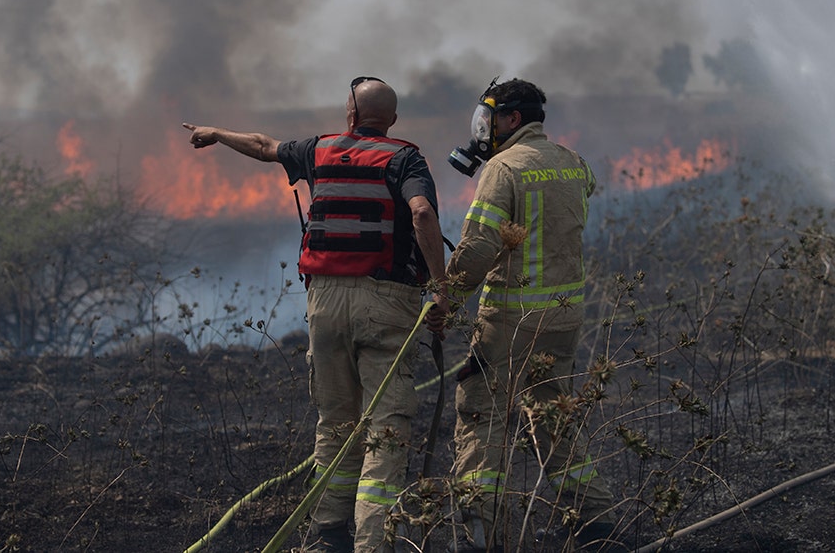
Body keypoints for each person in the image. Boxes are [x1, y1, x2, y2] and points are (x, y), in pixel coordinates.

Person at [183, 76, 449, 552]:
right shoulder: (404, 157)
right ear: (391, 120)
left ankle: (327, 535)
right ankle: (374, 542)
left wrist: (217, 132)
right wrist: (441, 288)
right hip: (386, 303)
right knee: (386, 426)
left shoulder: (320, 150)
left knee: (335, 423)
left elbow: (264, 146)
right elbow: (423, 213)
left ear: (350, 115)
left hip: (324, 305)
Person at [441, 78, 620, 553]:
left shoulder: (503, 169)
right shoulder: (572, 162)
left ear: (512, 120)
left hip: (509, 320)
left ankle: (481, 535)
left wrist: (447, 299)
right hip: (562, 319)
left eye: (490, 119)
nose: (484, 129)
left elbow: (479, 246)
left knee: (483, 417)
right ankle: (597, 520)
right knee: (551, 416)